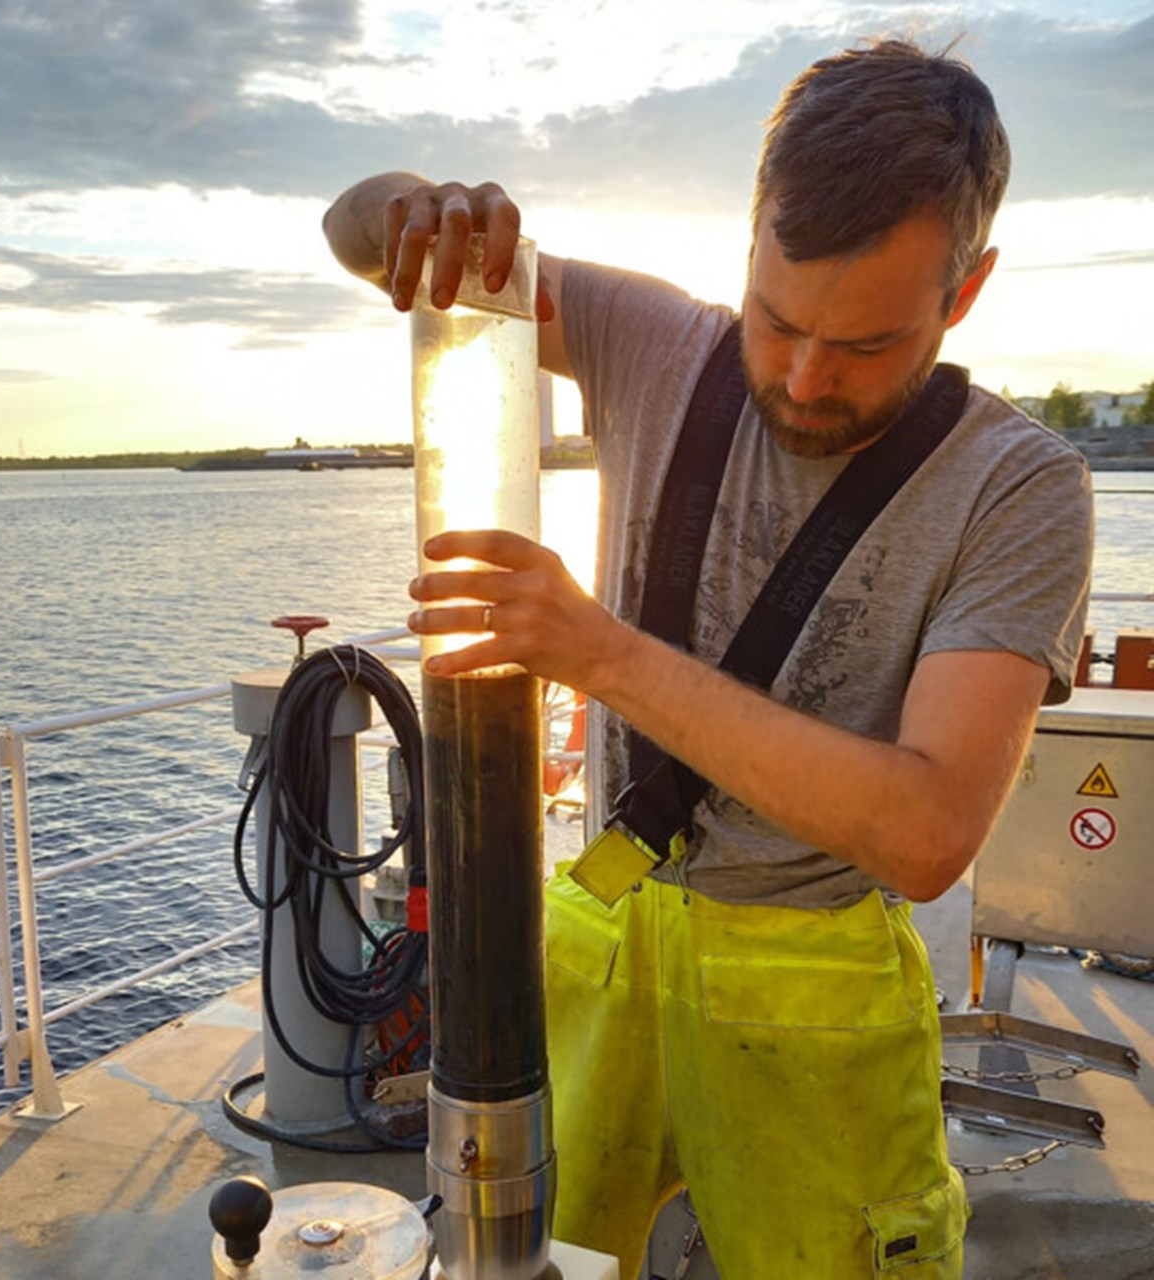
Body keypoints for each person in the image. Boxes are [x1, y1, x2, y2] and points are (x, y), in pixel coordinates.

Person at [324, 37, 1093, 1280]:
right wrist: (416, 207)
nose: (800, 375)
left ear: (964, 291)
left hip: (818, 985)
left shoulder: (1020, 488)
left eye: (864, 346)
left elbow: (926, 826)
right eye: (777, 317)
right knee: (532, 1254)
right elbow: (350, 228)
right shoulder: (651, 338)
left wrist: (600, 652)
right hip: (603, 929)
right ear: (744, 244)